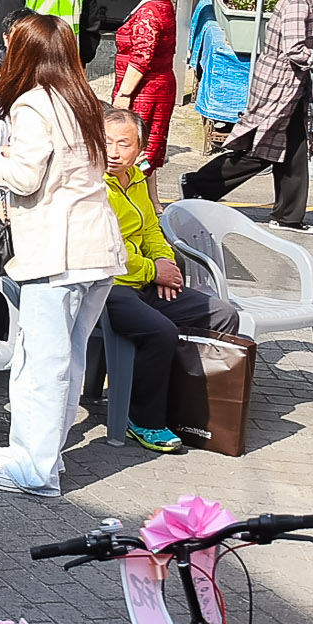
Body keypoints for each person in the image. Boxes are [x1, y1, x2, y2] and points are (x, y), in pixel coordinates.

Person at [0, 13, 123, 497]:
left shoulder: (33, 105)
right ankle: (36, 453)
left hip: (57, 253)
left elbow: (23, 179)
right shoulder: (83, 100)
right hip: (95, 248)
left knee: (44, 361)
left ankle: (36, 471)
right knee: (65, 358)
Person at [183, 0, 313, 234]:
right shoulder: (299, 1)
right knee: (261, 150)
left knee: (295, 150)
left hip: (291, 88)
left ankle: (288, 216)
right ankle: (200, 183)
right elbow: (296, 49)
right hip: (279, 87)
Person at [100, 107, 239, 453]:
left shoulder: (135, 180)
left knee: (222, 315)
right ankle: (143, 419)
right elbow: (104, 250)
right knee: (160, 329)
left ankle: (191, 408)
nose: (114, 152)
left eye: (123, 144)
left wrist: (163, 259)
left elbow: (150, 230)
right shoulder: (93, 186)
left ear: (140, 149)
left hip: (144, 281)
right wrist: (153, 270)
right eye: (106, 142)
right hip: (108, 288)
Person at [111, 0, 181, 172]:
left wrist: (124, 94)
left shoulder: (149, 12)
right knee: (147, 145)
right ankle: (153, 199)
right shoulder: (161, 4)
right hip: (157, 87)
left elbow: (141, 57)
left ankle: (135, 199)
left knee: (133, 148)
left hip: (145, 91)